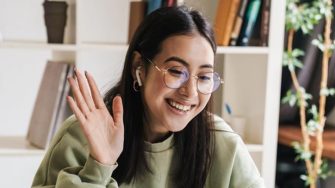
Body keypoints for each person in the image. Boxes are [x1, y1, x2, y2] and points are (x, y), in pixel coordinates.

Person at [32, 6, 265, 188]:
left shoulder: (223, 144)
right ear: (139, 67)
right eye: (176, 72)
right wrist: (99, 165)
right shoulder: (82, 135)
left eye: (204, 77)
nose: (191, 93)